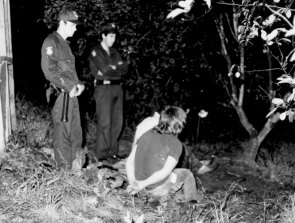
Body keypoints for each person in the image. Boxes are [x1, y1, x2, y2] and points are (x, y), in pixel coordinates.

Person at [125, 106, 200, 203]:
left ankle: (150, 195)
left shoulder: (147, 133)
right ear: (180, 125)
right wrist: (142, 184)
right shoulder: (176, 143)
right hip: (156, 189)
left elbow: (129, 161)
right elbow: (166, 171)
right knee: (186, 173)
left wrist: (133, 183)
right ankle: (192, 203)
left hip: (138, 187)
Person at [41, 8, 85, 169]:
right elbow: (49, 71)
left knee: (75, 132)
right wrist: (69, 86)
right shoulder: (51, 42)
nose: (75, 28)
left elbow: (69, 72)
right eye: (72, 25)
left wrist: (79, 84)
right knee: (62, 133)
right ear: (62, 22)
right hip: (61, 96)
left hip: (71, 95)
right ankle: (64, 172)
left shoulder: (65, 45)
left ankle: (75, 167)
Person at [132, 110, 217, 175]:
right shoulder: (163, 124)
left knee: (180, 149)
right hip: (152, 166)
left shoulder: (149, 120)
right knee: (182, 149)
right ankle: (199, 167)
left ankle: (198, 163)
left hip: (138, 160)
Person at [89, 23, 128, 161]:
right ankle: (102, 154)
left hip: (117, 88)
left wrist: (114, 67)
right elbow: (105, 69)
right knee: (105, 122)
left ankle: (113, 152)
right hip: (104, 88)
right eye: (111, 36)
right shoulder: (96, 51)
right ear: (103, 36)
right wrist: (113, 68)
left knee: (117, 121)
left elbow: (125, 68)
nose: (113, 39)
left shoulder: (115, 52)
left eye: (115, 36)